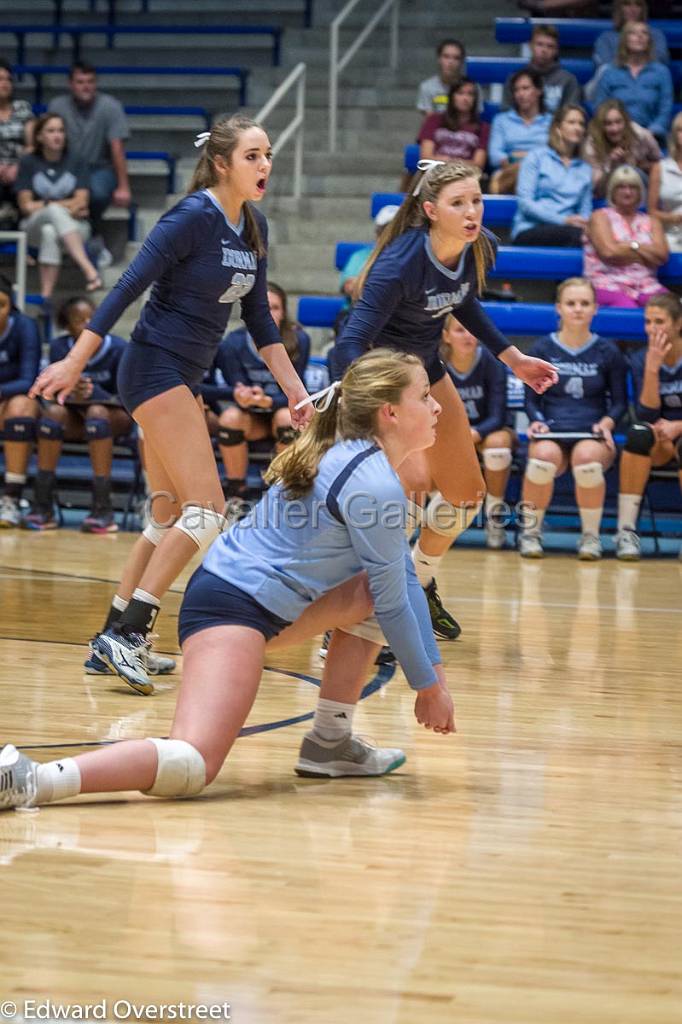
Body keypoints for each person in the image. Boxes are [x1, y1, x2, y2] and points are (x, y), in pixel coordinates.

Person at [0, 349, 458, 813]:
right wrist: (428, 688)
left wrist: (433, 680)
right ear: (391, 412)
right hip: (230, 609)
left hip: (260, 603)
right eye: (425, 396)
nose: (437, 406)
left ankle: (330, 742)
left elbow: (399, 587)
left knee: (371, 590)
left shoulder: (363, 462)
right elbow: (397, 600)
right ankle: (29, 778)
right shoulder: (372, 481)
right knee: (191, 763)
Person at [30, 114, 311, 694]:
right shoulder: (190, 217)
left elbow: (259, 320)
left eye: (268, 156)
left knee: (167, 516)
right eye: (253, 156)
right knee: (206, 513)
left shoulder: (251, 225)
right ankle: (130, 632)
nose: (265, 167)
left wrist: (295, 392)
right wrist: (76, 360)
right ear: (221, 164)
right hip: (153, 368)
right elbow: (124, 288)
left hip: (178, 375)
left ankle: (109, 634)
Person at [330, 158, 558, 643]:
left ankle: (418, 580)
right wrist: (349, 401)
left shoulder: (477, 247)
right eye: (459, 203)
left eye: (476, 200)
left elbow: (461, 300)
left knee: (465, 494)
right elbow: (350, 341)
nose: (472, 211)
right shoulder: (400, 262)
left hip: (428, 372)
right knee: (409, 487)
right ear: (431, 210)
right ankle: (352, 615)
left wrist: (512, 357)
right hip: (385, 378)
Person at [518, 278, 628, 560]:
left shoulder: (608, 352)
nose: (577, 309)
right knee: (542, 459)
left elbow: (618, 403)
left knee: (587, 461)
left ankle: (590, 538)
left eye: (584, 303)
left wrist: (608, 423)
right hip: (553, 430)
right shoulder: (543, 349)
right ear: (559, 309)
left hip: (591, 432)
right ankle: (531, 533)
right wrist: (535, 420)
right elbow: (531, 399)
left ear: (595, 309)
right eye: (571, 303)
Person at [23, 295, 133, 534]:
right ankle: (43, 505)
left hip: (115, 417)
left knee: (96, 412)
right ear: (66, 324)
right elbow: (47, 394)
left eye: (91, 318)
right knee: (52, 414)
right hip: (74, 418)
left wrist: (96, 392)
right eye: (78, 320)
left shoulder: (118, 348)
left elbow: (128, 397)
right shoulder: (59, 347)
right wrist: (69, 391)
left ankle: (103, 508)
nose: (87, 324)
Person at [213, 281, 311, 499]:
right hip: (251, 418)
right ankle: (235, 492)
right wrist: (244, 396)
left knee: (287, 417)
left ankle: (282, 491)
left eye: (275, 308)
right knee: (229, 418)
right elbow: (235, 384)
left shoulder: (300, 339)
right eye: (264, 308)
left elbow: (299, 390)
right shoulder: (233, 342)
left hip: (283, 410)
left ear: (284, 312)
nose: (269, 314)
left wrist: (270, 402)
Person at [615, 292, 682, 561]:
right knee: (638, 434)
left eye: (660, 321)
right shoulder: (641, 358)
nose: (652, 329)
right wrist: (653, 369)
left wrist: (678, 425)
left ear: (678, 324)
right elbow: (646, 412)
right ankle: (626, 531)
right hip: (660, 437)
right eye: (648, 322)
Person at [440, 314, 514, 550]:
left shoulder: (492, 363)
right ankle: (439, 520)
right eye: (460, 330)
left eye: (472, 330)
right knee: (427, 445)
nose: (468, 336)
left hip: (484, 432)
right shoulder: (435, 366)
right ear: (446, 336)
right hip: (449, 434)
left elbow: (498, 416)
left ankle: (494, 520)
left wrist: (474, 434)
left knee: (499, 444)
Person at [48, 61, 131, 262]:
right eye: (80, 81)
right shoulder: (57, 106)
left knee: (98, 193)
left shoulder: (110, 106)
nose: (86, 86)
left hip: (99, 167)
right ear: (71, 84)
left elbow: (117, 147)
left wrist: (123, 186)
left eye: (90, 81)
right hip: (65, 167)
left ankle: (92, 235)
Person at [15, 113, 101, 301]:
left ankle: (45, 296)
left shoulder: (77, 159)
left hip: (76, 228)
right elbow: (25, 206)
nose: (57, 135)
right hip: (32, 228)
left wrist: (44, 204)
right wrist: (60, 206)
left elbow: (82, 202)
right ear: (39, 136)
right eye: (51, 131)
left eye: (61, 131)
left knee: (50, 232)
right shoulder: (28, 162)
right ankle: (87, 267)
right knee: (52, 213)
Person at [584, 164, 669, 309]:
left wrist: (628, 246)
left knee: (673, 309)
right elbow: (609, 252)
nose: (627, 192)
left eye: (633, 187)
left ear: (640, 192)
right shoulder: (600, 217)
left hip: (646, 285)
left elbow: (661, 256)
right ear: (612, 191)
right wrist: (645, 253)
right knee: (628, 310)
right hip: (607, 284)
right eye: (621, 187)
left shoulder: (651, 221)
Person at [511, 105, 592, 247]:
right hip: (531, 228)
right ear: (557, 128)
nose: (578, 128)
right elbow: (525, 204)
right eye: (572, 122)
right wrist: (563, 220)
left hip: (570, 231)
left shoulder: (585, 169)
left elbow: (585, 211)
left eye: (581, 124)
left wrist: (582, 222)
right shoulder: (536, 157)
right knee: (577, 237)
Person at [0, 276, 40, 528]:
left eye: (1, 305)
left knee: (20, 407)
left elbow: (29, 380)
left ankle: (11, 499)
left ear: (11, 305)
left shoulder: (25, 326)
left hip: (19, 398)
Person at [593, 23, 673, 144]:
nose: (640, 36)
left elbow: (665, 111)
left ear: (649, 41)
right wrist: (617, 131)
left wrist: (649, 132)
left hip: (651, 138)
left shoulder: (661, 72)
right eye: (633, 33)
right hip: (614, 136)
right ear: (625, 39)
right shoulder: (609, 72)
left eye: (644, 33)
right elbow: (601, 108)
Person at [488, 70, 552, 195]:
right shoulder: (501, 120)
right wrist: (518, 161)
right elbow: (494, 155)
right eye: (517, 90)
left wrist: (521, 158)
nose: (520, 94)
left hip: (543, 172)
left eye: (525, 88)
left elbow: (554, 155)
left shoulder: (552, 121)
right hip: (508, 172)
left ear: (539, 91)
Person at [584, 99, 661, 201]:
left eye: (618, 122)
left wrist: (641, 165)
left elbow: (660, 165)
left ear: (626, 121)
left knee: (633, 172)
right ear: (601, 126)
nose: (615, 129)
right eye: (608, 124)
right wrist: (610, 164)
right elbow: (595, 189)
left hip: (641, 185)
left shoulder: (640, 135)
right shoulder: (592, 144)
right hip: (607, 192)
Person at [501, 25, 582, 116]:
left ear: (556, 50)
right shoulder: (515, 78)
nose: (544, 50)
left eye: (550, 46)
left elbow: (571, 116)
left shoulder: (568, 80)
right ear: (530, 46)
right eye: (539, 44)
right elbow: (506, 113)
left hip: (556, 129)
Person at [418, 78, 489, 172]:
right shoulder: (434, 120)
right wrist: (455, 163)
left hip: (465, 175)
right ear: (452, 96)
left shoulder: (483, 128)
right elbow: (426, 158)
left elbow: (478, 165)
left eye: (470, 94)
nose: (465, 98)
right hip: (434, 173)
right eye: (460, 93)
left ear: (475, 99)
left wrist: (447, 162)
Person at [339, 205, 400, 311]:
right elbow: (349, 287)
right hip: (359, 312)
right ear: (377, 233)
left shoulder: (414, 258)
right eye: (385, 231)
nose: (390, 236)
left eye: (397, 231)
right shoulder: (360, 256)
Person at [0, 59, 34, 227]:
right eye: (0, 79)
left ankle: (26, 242)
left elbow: (32, 144)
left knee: (25, 181)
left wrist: (17, 166)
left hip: (20, 169)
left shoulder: (22, 108)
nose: (5, 83)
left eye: (8, 79)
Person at [592, 0, 669, 69]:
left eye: (638, 4)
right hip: (616, 83)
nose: (633, 9)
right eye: (626, 4)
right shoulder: (605, 38)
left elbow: (660, 62)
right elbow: (604, 68)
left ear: (643, 9)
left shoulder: (656, 35)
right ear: (618, 9)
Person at [648, 111, 682, 254]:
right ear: (674, 134)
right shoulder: (660, 168)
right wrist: (674, 218)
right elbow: (651, 212)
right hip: (670, 233)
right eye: (681, 130)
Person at [416, 39, 467, 119]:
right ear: (439, 59)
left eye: (456, 58)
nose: (451, 62)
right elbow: (431, 121)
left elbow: (473, 119)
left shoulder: (472, 88)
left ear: (462, 62)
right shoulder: (427, 87)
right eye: (446, 57)